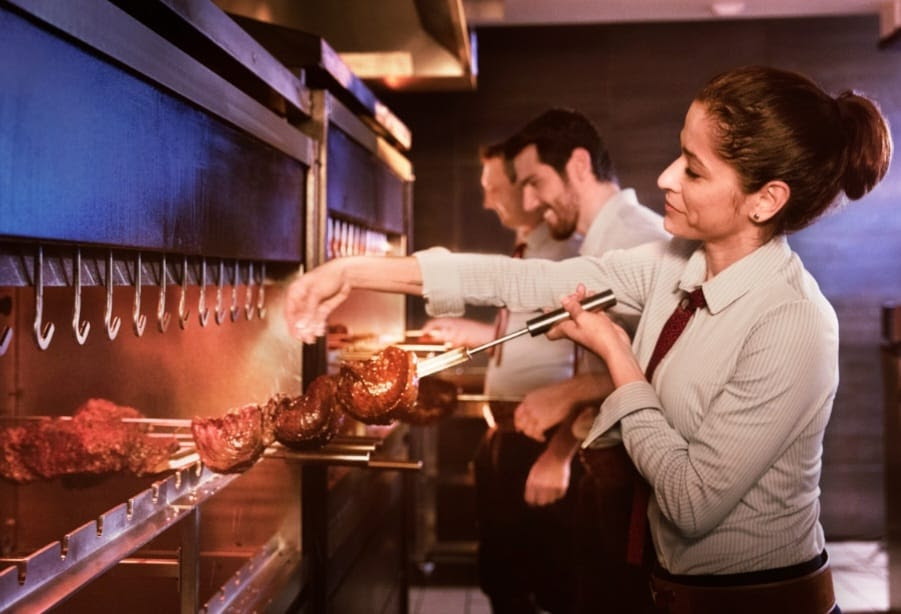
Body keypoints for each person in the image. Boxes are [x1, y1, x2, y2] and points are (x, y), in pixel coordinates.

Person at [285, 65, 892, 612]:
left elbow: (691, 500)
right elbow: (526, 278)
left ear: (766, 200)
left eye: (693, 169)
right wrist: (354, 272)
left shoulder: (794, 321)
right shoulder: (673, 263)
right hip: (670, 590)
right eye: (678, 155)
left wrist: (616, 352)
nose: (664, 178)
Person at [423, 136, 583, 614]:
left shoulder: (568, 252)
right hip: (509, 440)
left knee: (548, 587)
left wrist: (561, 453)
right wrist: (473, 332)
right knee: (503, 581)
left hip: (544, 441)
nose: (488, 200)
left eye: (496, 188)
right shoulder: (528, 248)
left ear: (527, 188)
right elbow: (534, 335)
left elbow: (590, 364)